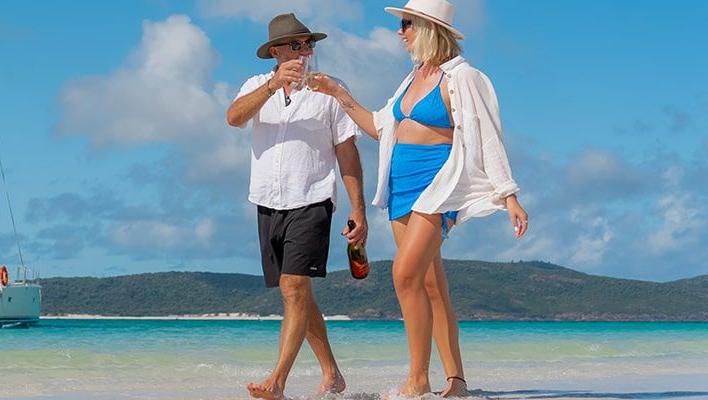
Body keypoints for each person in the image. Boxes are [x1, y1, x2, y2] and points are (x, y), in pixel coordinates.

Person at [309, 0, 529, 396]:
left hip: (437, 189)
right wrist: (337, 93)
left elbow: (488, 137)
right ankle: (456, 383)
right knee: (430, 286)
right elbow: (380, 127)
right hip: (400, 187)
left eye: (407, 24)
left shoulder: (463, 77)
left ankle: (417, 380)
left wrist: (508, 194)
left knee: (404, 275)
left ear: (428, 29)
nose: (400, 32)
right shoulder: (412, 77)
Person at [226, 13, 368, 399]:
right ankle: (333, 375)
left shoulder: (331, 90)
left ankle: (278, 382)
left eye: (309, 45)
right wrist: (273, 85)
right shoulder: (257, 85)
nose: (304, 52)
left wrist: (359, 209)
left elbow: (347, 153)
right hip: (267, 203)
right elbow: (234, 118)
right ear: (276, 52)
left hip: (313, 199)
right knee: (298, 295)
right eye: (296, 45)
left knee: (293, 287)